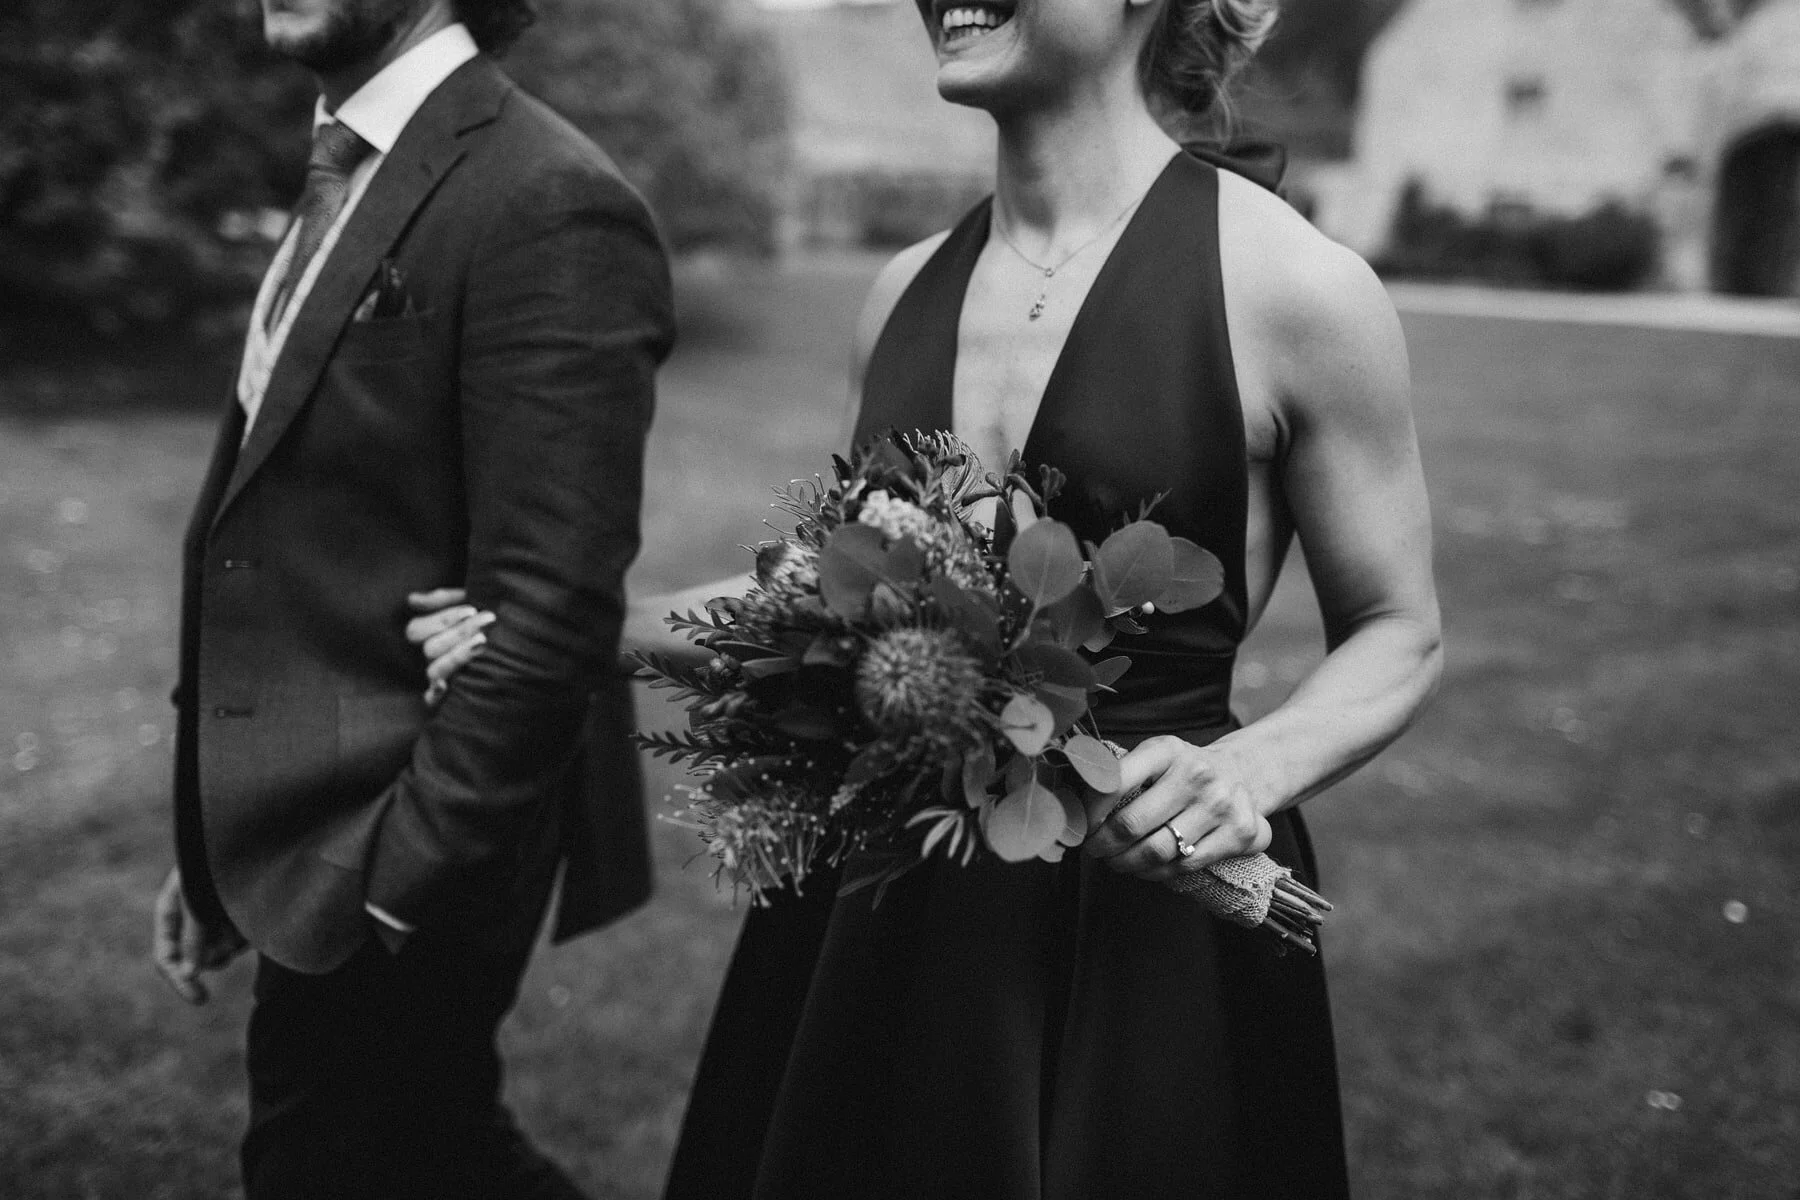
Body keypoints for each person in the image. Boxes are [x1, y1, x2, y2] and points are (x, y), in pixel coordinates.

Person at [423, 0, 1440, 1194]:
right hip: (879, 914)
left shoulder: (1296, 289)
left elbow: (1399, 630)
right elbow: (840, 597)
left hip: (1137, 934)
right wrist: (547, 633)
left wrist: (1251, 773)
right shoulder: (900, 291)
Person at [149, 0, 675, 1195]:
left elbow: (552, 604)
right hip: (303, 811)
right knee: (427, 1150)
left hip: (411, 824)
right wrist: (215, 834)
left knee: (330, 1156)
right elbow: (269, 518)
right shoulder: (348, 160)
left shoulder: (546, 198)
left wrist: (399, 887)